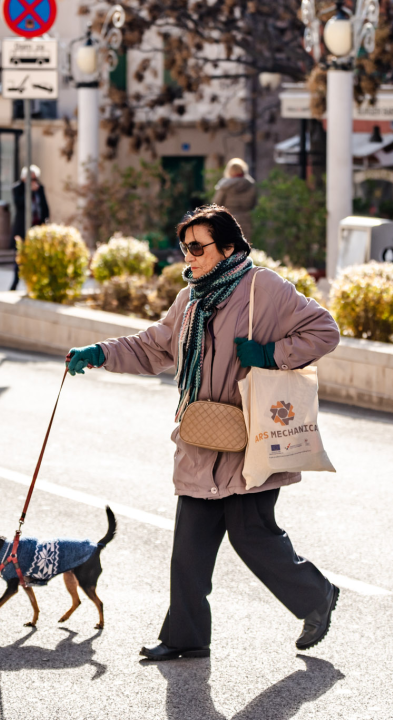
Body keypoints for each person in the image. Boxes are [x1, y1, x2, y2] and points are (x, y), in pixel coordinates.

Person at [65, 204, 341, 661]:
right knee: (188, 550)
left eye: (198, 247)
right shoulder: (190, 300)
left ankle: (317, 598)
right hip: (200, 441)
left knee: (253, 537)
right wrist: (100, 353)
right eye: (185, 247)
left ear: (228, 247)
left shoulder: (263, 288)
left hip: (249, 441)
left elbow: (324, 330)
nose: (188, 256)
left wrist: (272, 354)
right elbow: (153, 347)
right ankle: (185, 638)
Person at [9, 164, 50, 291]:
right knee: (20, 256)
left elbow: (45, 206)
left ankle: (36, 283)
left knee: (38, 256)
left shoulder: (40, 188)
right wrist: (29, 191)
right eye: (30, 179)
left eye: (35, 179)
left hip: (37, 226)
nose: (33, 182)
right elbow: (19, 204)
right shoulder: (18, 188)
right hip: (23, 227)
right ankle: (15, 282)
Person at [212, 158, 257, 241]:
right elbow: (253, 203)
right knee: (244, 245)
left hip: (227, 218)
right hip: (245, 218)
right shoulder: (251, 184)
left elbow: (216, 203)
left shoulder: (224, 185)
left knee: (228, 245)